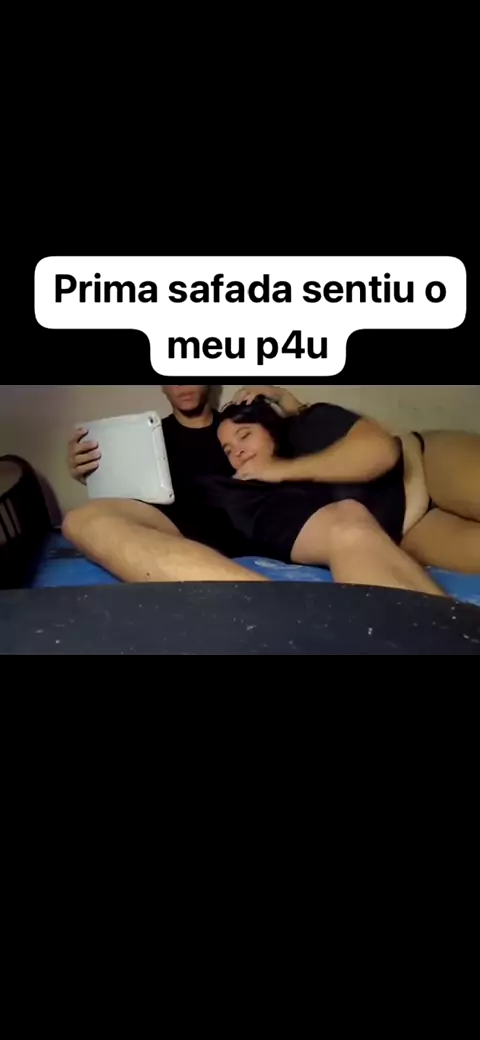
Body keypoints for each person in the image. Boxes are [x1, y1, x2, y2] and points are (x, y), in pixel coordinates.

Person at [224, 387, 480, 575]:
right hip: (410, 528)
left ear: (268, 427)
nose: (238, 451)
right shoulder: (262, 500)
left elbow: (380, 452)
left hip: (423, 465)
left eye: (244, 435)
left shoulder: (306, 424)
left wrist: (281, 470)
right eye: (228, 450)